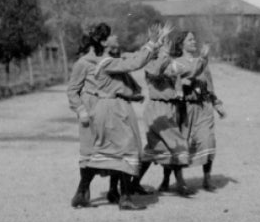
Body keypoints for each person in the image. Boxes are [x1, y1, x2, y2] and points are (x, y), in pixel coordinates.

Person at [70, 23, 167, 210]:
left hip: (108, 108)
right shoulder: (103, 62)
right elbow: (134, 63)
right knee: (127, 148)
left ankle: (90, 194)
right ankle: (124, 197)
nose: (116, 37)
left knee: (107, 151)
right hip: (109, 110)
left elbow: (130, 61)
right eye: (111, 35)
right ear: (103, 41)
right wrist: (152, 43)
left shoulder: (102, 60)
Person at [138, 31, 208, 195]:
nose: (165, 45)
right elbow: (157, 71)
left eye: (166, 42)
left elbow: (186, 71)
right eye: (162, 42)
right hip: (157, 108)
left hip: (170, 108)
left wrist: (202, 59)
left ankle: (134, 182)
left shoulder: (167, 62)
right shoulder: (151, 61)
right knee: (176, 144)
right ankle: (181, 183)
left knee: (155, 148)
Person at [171, 31, 224, 193]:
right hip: (185, 109)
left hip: (203, 107)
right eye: (190, 39)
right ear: (181, 44)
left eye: (195, 39)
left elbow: (209, 84)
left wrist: (217, 103)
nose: (194, 42)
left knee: (208, 140)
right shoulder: (176, 63)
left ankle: (207, 178)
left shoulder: (202, 63)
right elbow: (178, 83)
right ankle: (179, 179)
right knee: (182, 144)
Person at [67, 23, 111, 209]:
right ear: (97, 41)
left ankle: (85, 193)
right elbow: (72, 90)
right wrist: (81, 110)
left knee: (106, 149)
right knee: (89, 152)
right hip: (89, 110)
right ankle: (81, 193)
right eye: (104, 39)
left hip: (105, 110)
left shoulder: (106, 61)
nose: (107, 42)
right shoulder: (83, 63)